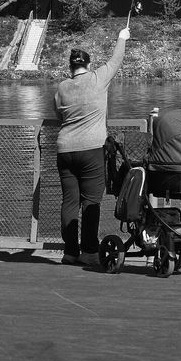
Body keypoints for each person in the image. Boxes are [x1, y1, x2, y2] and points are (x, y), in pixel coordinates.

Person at [54, 26, 130, 266]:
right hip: (91, 151)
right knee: (91, 202)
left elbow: (58, 115)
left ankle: (69, 252)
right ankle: (88, 251)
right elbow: (116, 60)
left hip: (65, 149)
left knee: (69, 202)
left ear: (70, 67)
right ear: (88, 65)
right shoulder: (98, 79)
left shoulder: (62, 88)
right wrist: (121, 37)